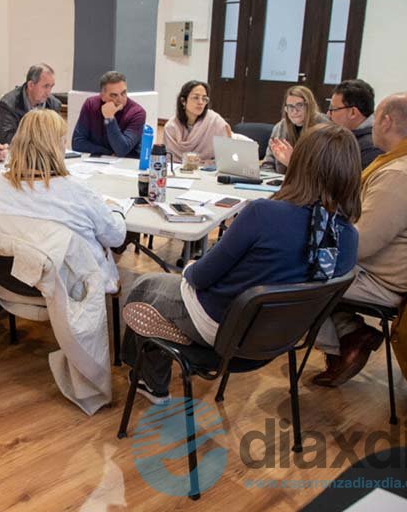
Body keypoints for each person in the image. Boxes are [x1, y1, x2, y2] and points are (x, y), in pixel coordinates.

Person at [122, 123, 361, 403]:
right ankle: (145, 368)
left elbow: (199, 278)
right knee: (160, 287)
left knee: (144, 287)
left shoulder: (264, 213)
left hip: (221, 327)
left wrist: (192, 266)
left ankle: (147, 379)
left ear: (301, 164)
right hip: (277, 340)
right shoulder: (349, 239)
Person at [313, 92, 407, 387]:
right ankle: (350, 333)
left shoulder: (403, 173)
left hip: (386, 281)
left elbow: (359, 245)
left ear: (386, 121)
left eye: (375, 119)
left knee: (288, 268)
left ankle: (341, 343)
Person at [0, 108, 126, 289]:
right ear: (59, 146)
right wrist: (116, 209)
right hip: (72, 291)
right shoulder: (76, 190)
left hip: (9, 284)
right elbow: (116, 237)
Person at [72, 71, 146, 157]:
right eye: (114, 95)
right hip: (96, 162)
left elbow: (122, 150)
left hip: (126, 165)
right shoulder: (91, 104)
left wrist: (109, 119)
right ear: (102, 96)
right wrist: (108, 153)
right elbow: (77, 143)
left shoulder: (137, 113)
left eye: (123, 93)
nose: (120, 99)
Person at [261, 85, 330, 174]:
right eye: (290, 106)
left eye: (300, 105)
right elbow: (268, 164)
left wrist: (292, 162)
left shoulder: (324, 128)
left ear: (310, 106)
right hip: (281, 182)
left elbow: (323, 171)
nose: (294, 111)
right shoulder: (280, 127)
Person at [162, 80, 232, 162]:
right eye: (196, 97)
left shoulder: (214, 121)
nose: (201, 102)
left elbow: (227, 152)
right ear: (183, 101)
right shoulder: (171, 127)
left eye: (204, 98)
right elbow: (169, 159)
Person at [0, 63, 62, 145]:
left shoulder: (54, 105)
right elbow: (8, 140)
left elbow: (57, 137)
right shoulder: (8, 104)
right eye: (45, 86)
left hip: (42, 153)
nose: (48, 92)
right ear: (30, 85)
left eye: (51, 87)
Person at [325, 79, 383, 169]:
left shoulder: (371, 149)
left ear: (353, 112)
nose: (328, 114)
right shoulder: (347, 135)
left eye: (333, 109)